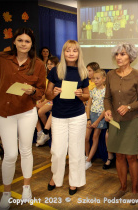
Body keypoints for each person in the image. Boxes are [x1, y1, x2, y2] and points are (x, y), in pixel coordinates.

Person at [0, 27, 46, 209]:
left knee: (25, 150)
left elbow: (41, 91)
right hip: (4, 112)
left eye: (27, 41)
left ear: (32, 44)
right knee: (10, 155)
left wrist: (33, 91)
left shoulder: (38, 63)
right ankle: (6, 193)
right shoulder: (3, 58)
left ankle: (26, 188)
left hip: (26, 111)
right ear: (14, 41)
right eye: (20, 40)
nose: (23, 44)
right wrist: (1, 97)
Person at [104, 43, 138, 202]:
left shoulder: (137, 75)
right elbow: (107, 98)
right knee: (119, 156)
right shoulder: (110, 75)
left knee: (131, 158)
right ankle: (123, 187)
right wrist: (108, 110)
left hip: (132, 121)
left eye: (122, 54)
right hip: (115, 122)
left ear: (130, 57)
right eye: (117, 54)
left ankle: (135, 190)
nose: (119, 57)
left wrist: (129, 107)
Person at [45, 40, 89, 195]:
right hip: (58, 116)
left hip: (77, 117)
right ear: (63, 52)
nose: (71, 53)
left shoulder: (83, 71)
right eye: (68, 50)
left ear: (78, 53)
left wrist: (80, 95)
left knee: (76, 151)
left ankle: (74, 182)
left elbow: (87, 96)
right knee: (57, 151)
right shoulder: (56, 70)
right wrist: (54, 93)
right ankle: (55, 178)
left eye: (74, 51)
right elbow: (47, 94)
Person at [85, 69, 107, 170]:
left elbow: (106, 108)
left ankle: (89, 160)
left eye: (97, 78)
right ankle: (86, 156)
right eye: (94, 78)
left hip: (100, 116)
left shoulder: (106, 91)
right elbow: (88, 105)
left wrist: (97, 121)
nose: (95, 80)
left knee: (95, 137)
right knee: (86, 137)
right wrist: (88, 118)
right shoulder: (92, 91)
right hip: (92, 115)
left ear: (104, 79)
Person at [36, 56, 59, 146]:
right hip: (48, 99)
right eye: (48, 64)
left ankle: (46, 132)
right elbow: (45, 93)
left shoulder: (57, 76)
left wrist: (44, 102)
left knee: (41, 111)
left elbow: (53, 95)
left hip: (54, 100)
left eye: (51, 64)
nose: (49, 66)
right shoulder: (47, 77)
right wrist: (40, 100)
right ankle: (41, 132)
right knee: (33, 108)